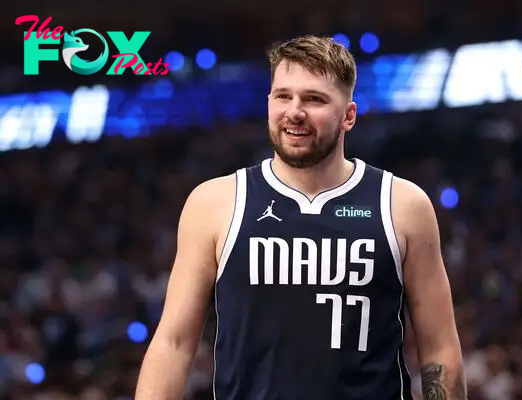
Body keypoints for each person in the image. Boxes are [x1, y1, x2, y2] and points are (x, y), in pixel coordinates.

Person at [135, 35, 466, 400]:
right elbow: (174, 342)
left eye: (314, 99)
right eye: (283, 96)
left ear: (348, 116)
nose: (294, 111)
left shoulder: (402, 204)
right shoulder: (215, 202)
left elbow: (439, 349)